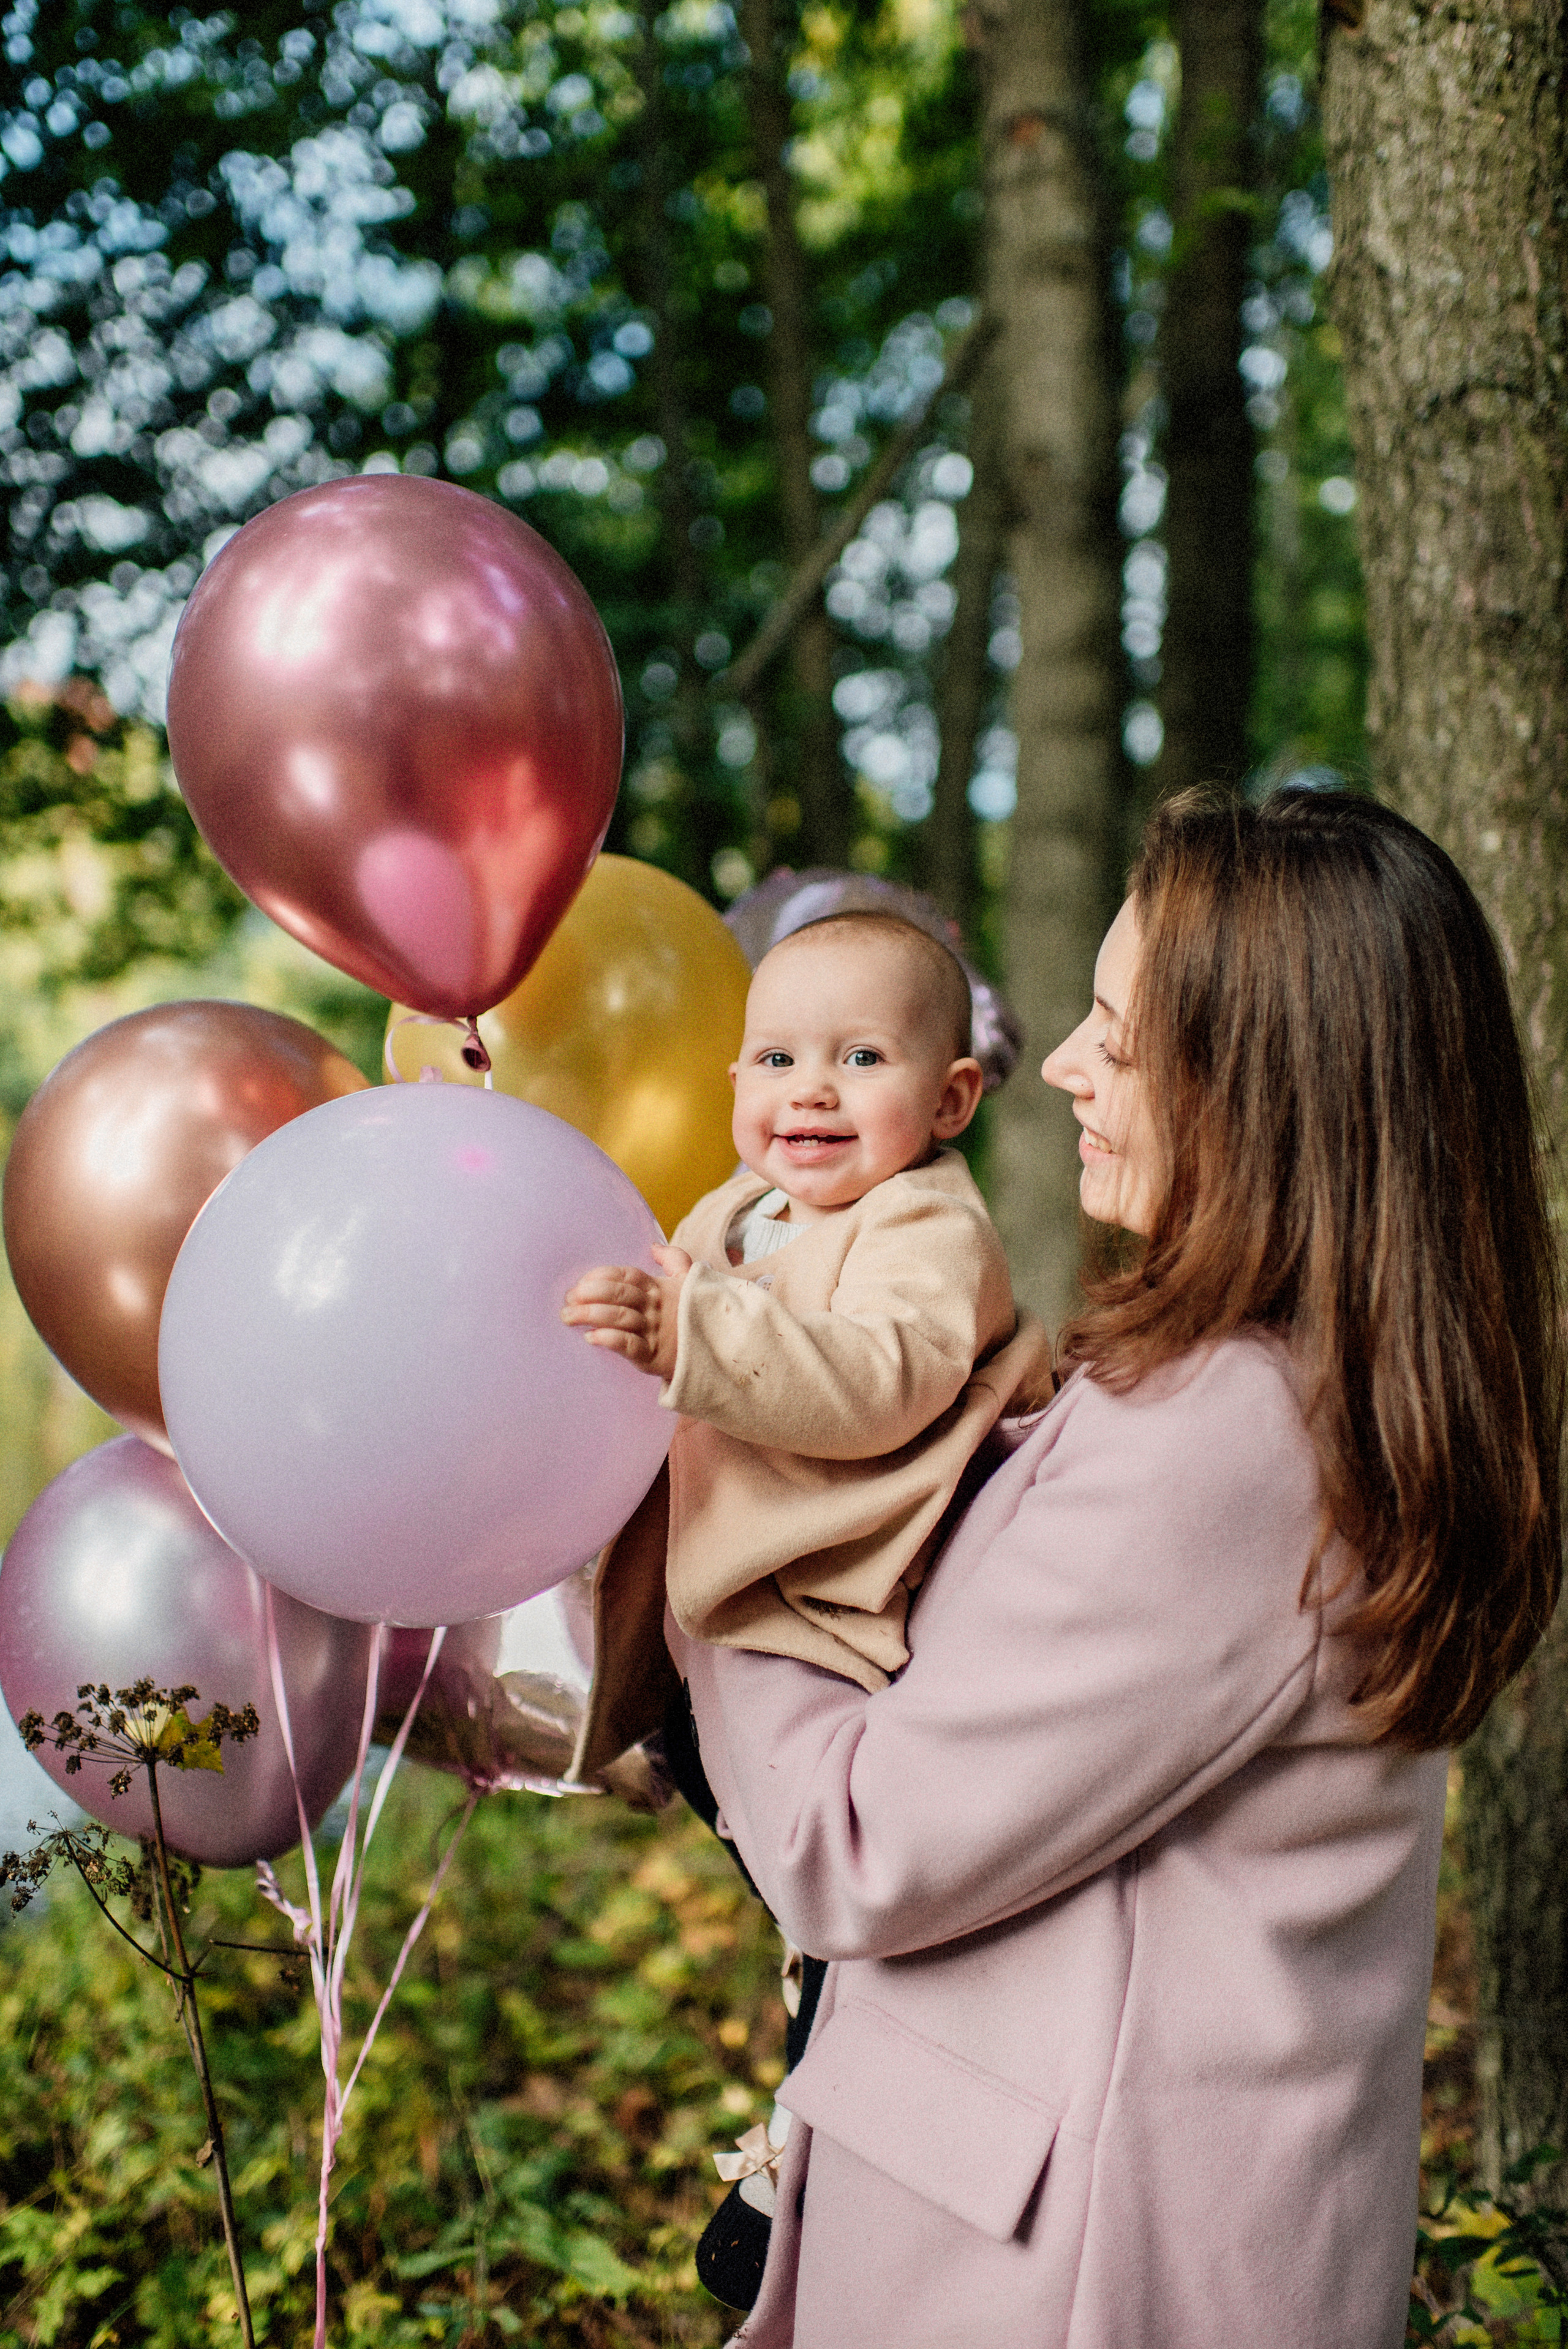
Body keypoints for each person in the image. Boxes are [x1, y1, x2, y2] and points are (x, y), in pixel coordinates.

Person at [653, 788, 1562, 2348]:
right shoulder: (1292, 1394)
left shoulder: (1225, 1442)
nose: (1061, 1065)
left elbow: (852, 1844)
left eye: (1116, 1036)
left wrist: (726, 1488)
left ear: (1265, 1089)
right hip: (1130, 2211)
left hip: (1057, 2268)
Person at [562, 910, 1049, 1710]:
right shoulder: (731, 1210)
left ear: (951, 1097)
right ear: (738, 1082)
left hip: (835, 1604)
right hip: (719, 1576)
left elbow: (880, 1382)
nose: (810, 1088)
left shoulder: (926, 1224)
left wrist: (689, 1332)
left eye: (862, 1056)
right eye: (777, 1058)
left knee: (795, 1805)